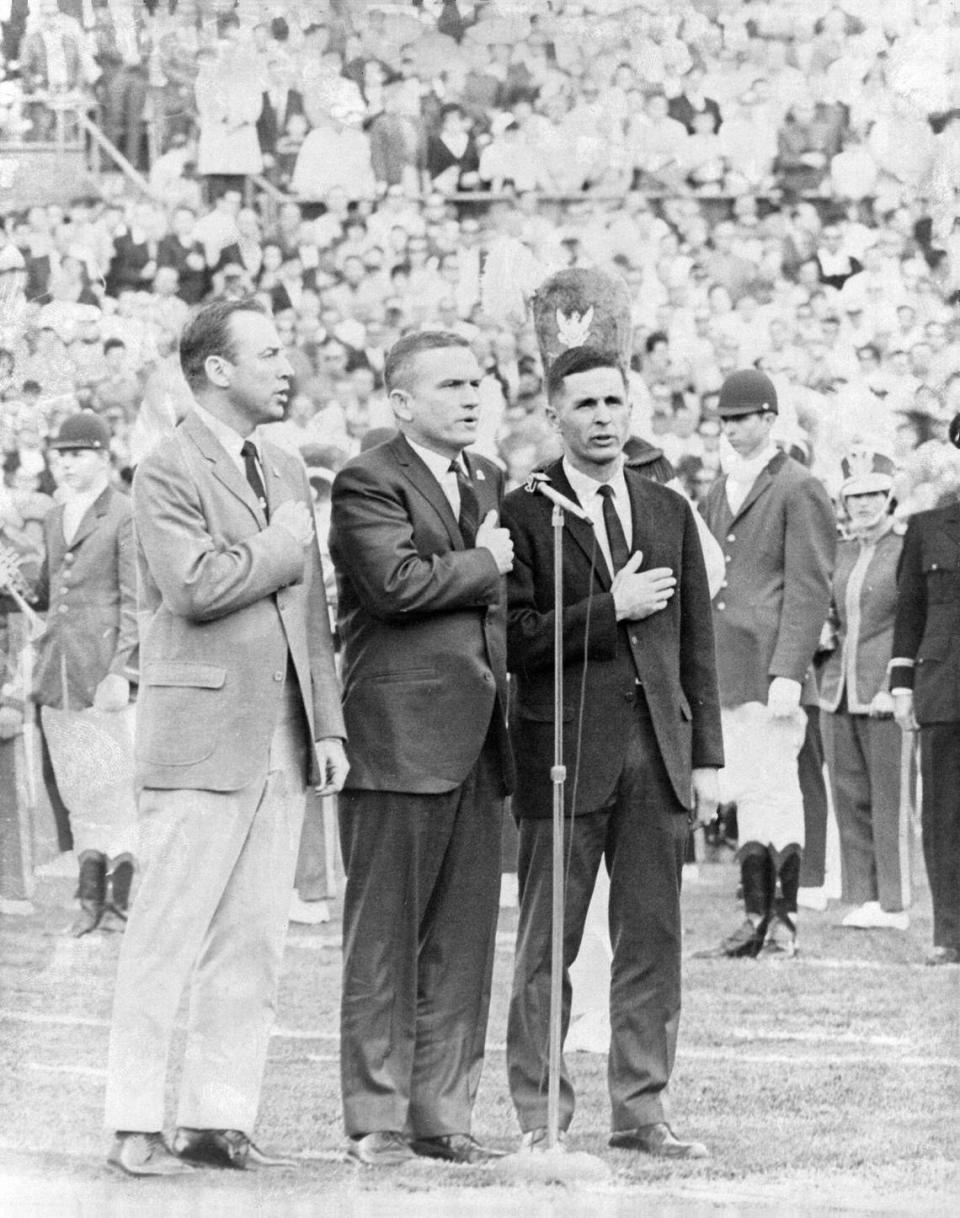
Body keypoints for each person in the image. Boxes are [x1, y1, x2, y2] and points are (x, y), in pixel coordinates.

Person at [103, 299, 347, 1176]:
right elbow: (197, 585)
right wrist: (286, 542)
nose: (289, 369)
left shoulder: (282, 466)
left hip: (281, 736)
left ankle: (216, 1118)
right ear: (216, 369)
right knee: (166, 932)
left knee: (254, 938)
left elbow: (311, 613)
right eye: (271, 354)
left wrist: (326, 723)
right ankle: (134, 1120)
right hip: (200, 731)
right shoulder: (164, 467)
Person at [502, 345, 723, 1157]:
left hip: (657, 756)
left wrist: (704, 757)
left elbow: (696, 640)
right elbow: (516, 640)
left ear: (632, 409)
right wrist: (611, 607)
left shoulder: (667, 508)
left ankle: (641, 1111)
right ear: (553, 414)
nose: (601, 418)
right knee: (545, 944)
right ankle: (540, 1120)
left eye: (613, 403)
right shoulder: (526, 509)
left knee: (653, 940)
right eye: (585, 405)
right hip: (562, 751)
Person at [329, 330, 514, 1167]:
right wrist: (484, 561)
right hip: (398, 738)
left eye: (477, 382)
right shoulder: (370, 478)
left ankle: (445, 1117)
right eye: (451, 385)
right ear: (402, 403)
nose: (472, 396)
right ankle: (377, 1117)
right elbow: (395, 586)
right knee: (385, 939)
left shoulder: (489, 479)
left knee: (464, 938)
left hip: (479, 740)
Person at [699, 370, 836, 959]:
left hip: (772, 664)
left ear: (769, 419)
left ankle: (782, 920)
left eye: (744, 418)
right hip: (728, 661)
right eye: (726, 419)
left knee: (778, 790)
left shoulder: (798, 485)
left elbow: (809, 586)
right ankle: (754, 914)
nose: (734, 429)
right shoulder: (717, 488)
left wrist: (789, 667)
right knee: (750, 790)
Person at [31, 412, 138, 936]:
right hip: (61, 671)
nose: (67, 464)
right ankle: (90, 898)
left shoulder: (125, 513)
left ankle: (119, 898)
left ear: (104, 456)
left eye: (78, 454)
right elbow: (51, 593)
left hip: (104, 673)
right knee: (78, 787)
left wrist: (123, 671)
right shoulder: (54, 516)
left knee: (116, 784)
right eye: (61, 455)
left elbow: (138, 604)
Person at [820, 449, 911, 931]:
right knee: (849, 794)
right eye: (855, 495)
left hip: (885, 691)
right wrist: (824, 630)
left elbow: (909, 621)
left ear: (889, 496)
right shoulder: (840, 549)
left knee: (889, 797)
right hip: (837, 687)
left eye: (874, 493)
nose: (864, 504)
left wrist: (895, 685)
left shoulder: (905, 547)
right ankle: (862, 895)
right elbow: (832, 612)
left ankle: (894, 901)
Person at [890, 413, 960, 966]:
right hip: (946, 688)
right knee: (944, 816)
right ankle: (951, 933)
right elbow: (909, 614)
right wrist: (902, 685)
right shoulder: (928, 527)